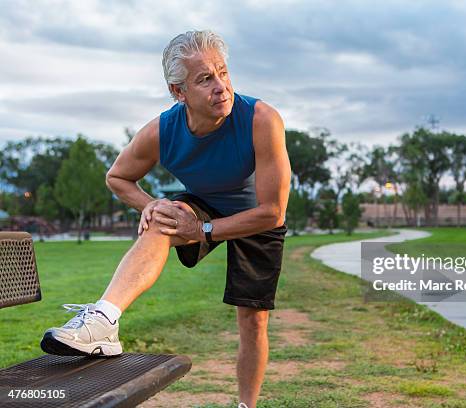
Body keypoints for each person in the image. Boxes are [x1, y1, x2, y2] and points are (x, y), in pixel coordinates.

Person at [40, 30, 291, 408]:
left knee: (253, 321)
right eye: (205, 79)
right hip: (204, 202)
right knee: (162, 218)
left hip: (256, 216)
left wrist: (204, 229)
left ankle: (246, 405)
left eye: (223, 73)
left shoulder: (261, 118)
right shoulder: (162, 130)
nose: (221, 87)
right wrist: (149, 204)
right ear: (179, 92)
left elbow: (273, 212)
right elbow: (117, 177)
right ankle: (104, 321)